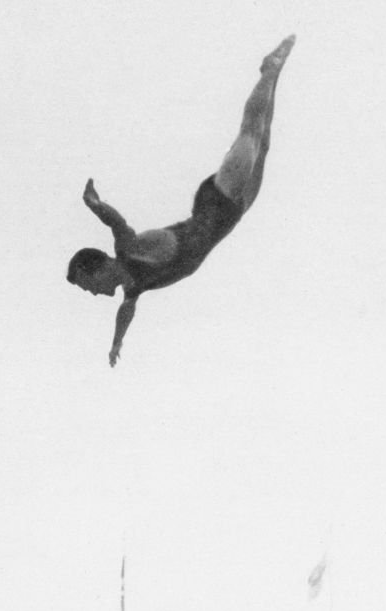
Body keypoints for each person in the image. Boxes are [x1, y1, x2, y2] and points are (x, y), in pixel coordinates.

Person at [67, 35, 296, 366]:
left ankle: (269, 69)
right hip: (234, 214)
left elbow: (117, 223)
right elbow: (126, 311)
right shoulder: (133, 288)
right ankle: (273, 75)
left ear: (97, 268)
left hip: (217, 202)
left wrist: (94, 204)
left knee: (251, 131)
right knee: (265, 138)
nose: (90, 293)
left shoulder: (129, 251)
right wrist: (116, 342)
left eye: (86, 285)